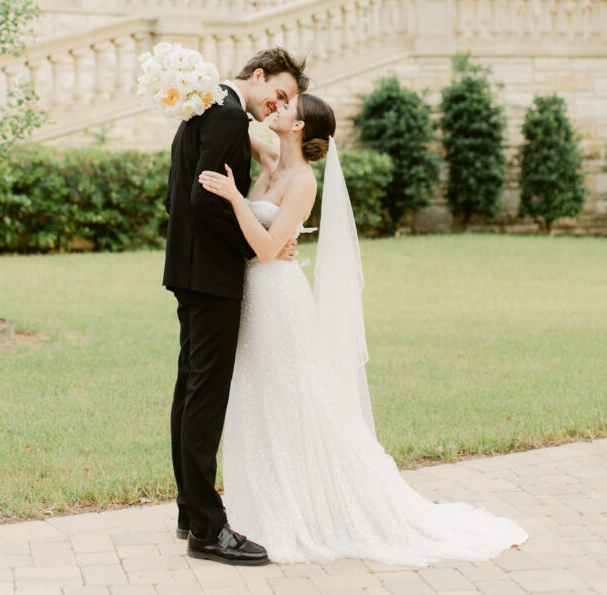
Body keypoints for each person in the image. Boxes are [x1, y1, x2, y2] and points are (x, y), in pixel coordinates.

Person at [198, 92, 528, 566]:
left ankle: (312, 508)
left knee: (296, 399)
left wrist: (233, 197)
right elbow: (237, 115)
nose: (279, 108)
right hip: (252, 298)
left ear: (300, 127)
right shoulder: (270, 159)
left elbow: (270, 248)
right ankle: (265, 504)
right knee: (257, 398)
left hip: (278, 300)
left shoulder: (303, 182)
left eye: (288, 107)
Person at [164, 47, 309, 566]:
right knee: (205, 399)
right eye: (280, 94)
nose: (278, 105)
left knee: (190, 389)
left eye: (288, 102)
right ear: (259, 75)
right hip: (213, 276)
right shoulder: (224, 112)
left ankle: (189, 509)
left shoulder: (210, 103)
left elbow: (179, 193)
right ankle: (207, 527)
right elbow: (207, 199)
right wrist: (260, 242)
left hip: (190, 268)